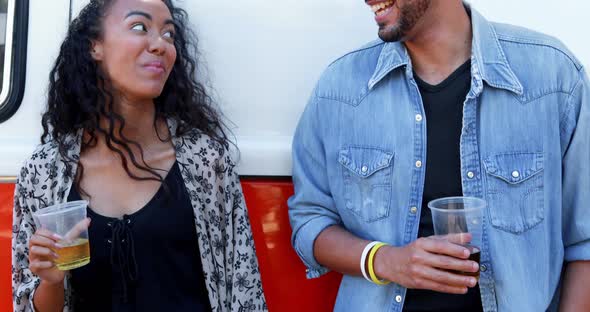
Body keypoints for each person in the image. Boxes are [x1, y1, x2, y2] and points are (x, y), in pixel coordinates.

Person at [288, 0, 590, 311]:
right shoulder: (340, 89)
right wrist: (386, 261)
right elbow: (310, 221)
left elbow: (585, 243)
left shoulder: (552, 79)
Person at [11, 0, 267, 311]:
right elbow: (29, 306)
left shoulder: (205, 160)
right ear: (95, 47)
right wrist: (51, 281)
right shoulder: (45, 171)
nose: (160, 45)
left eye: (169, 34)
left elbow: (245, 292)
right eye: (139, 27)